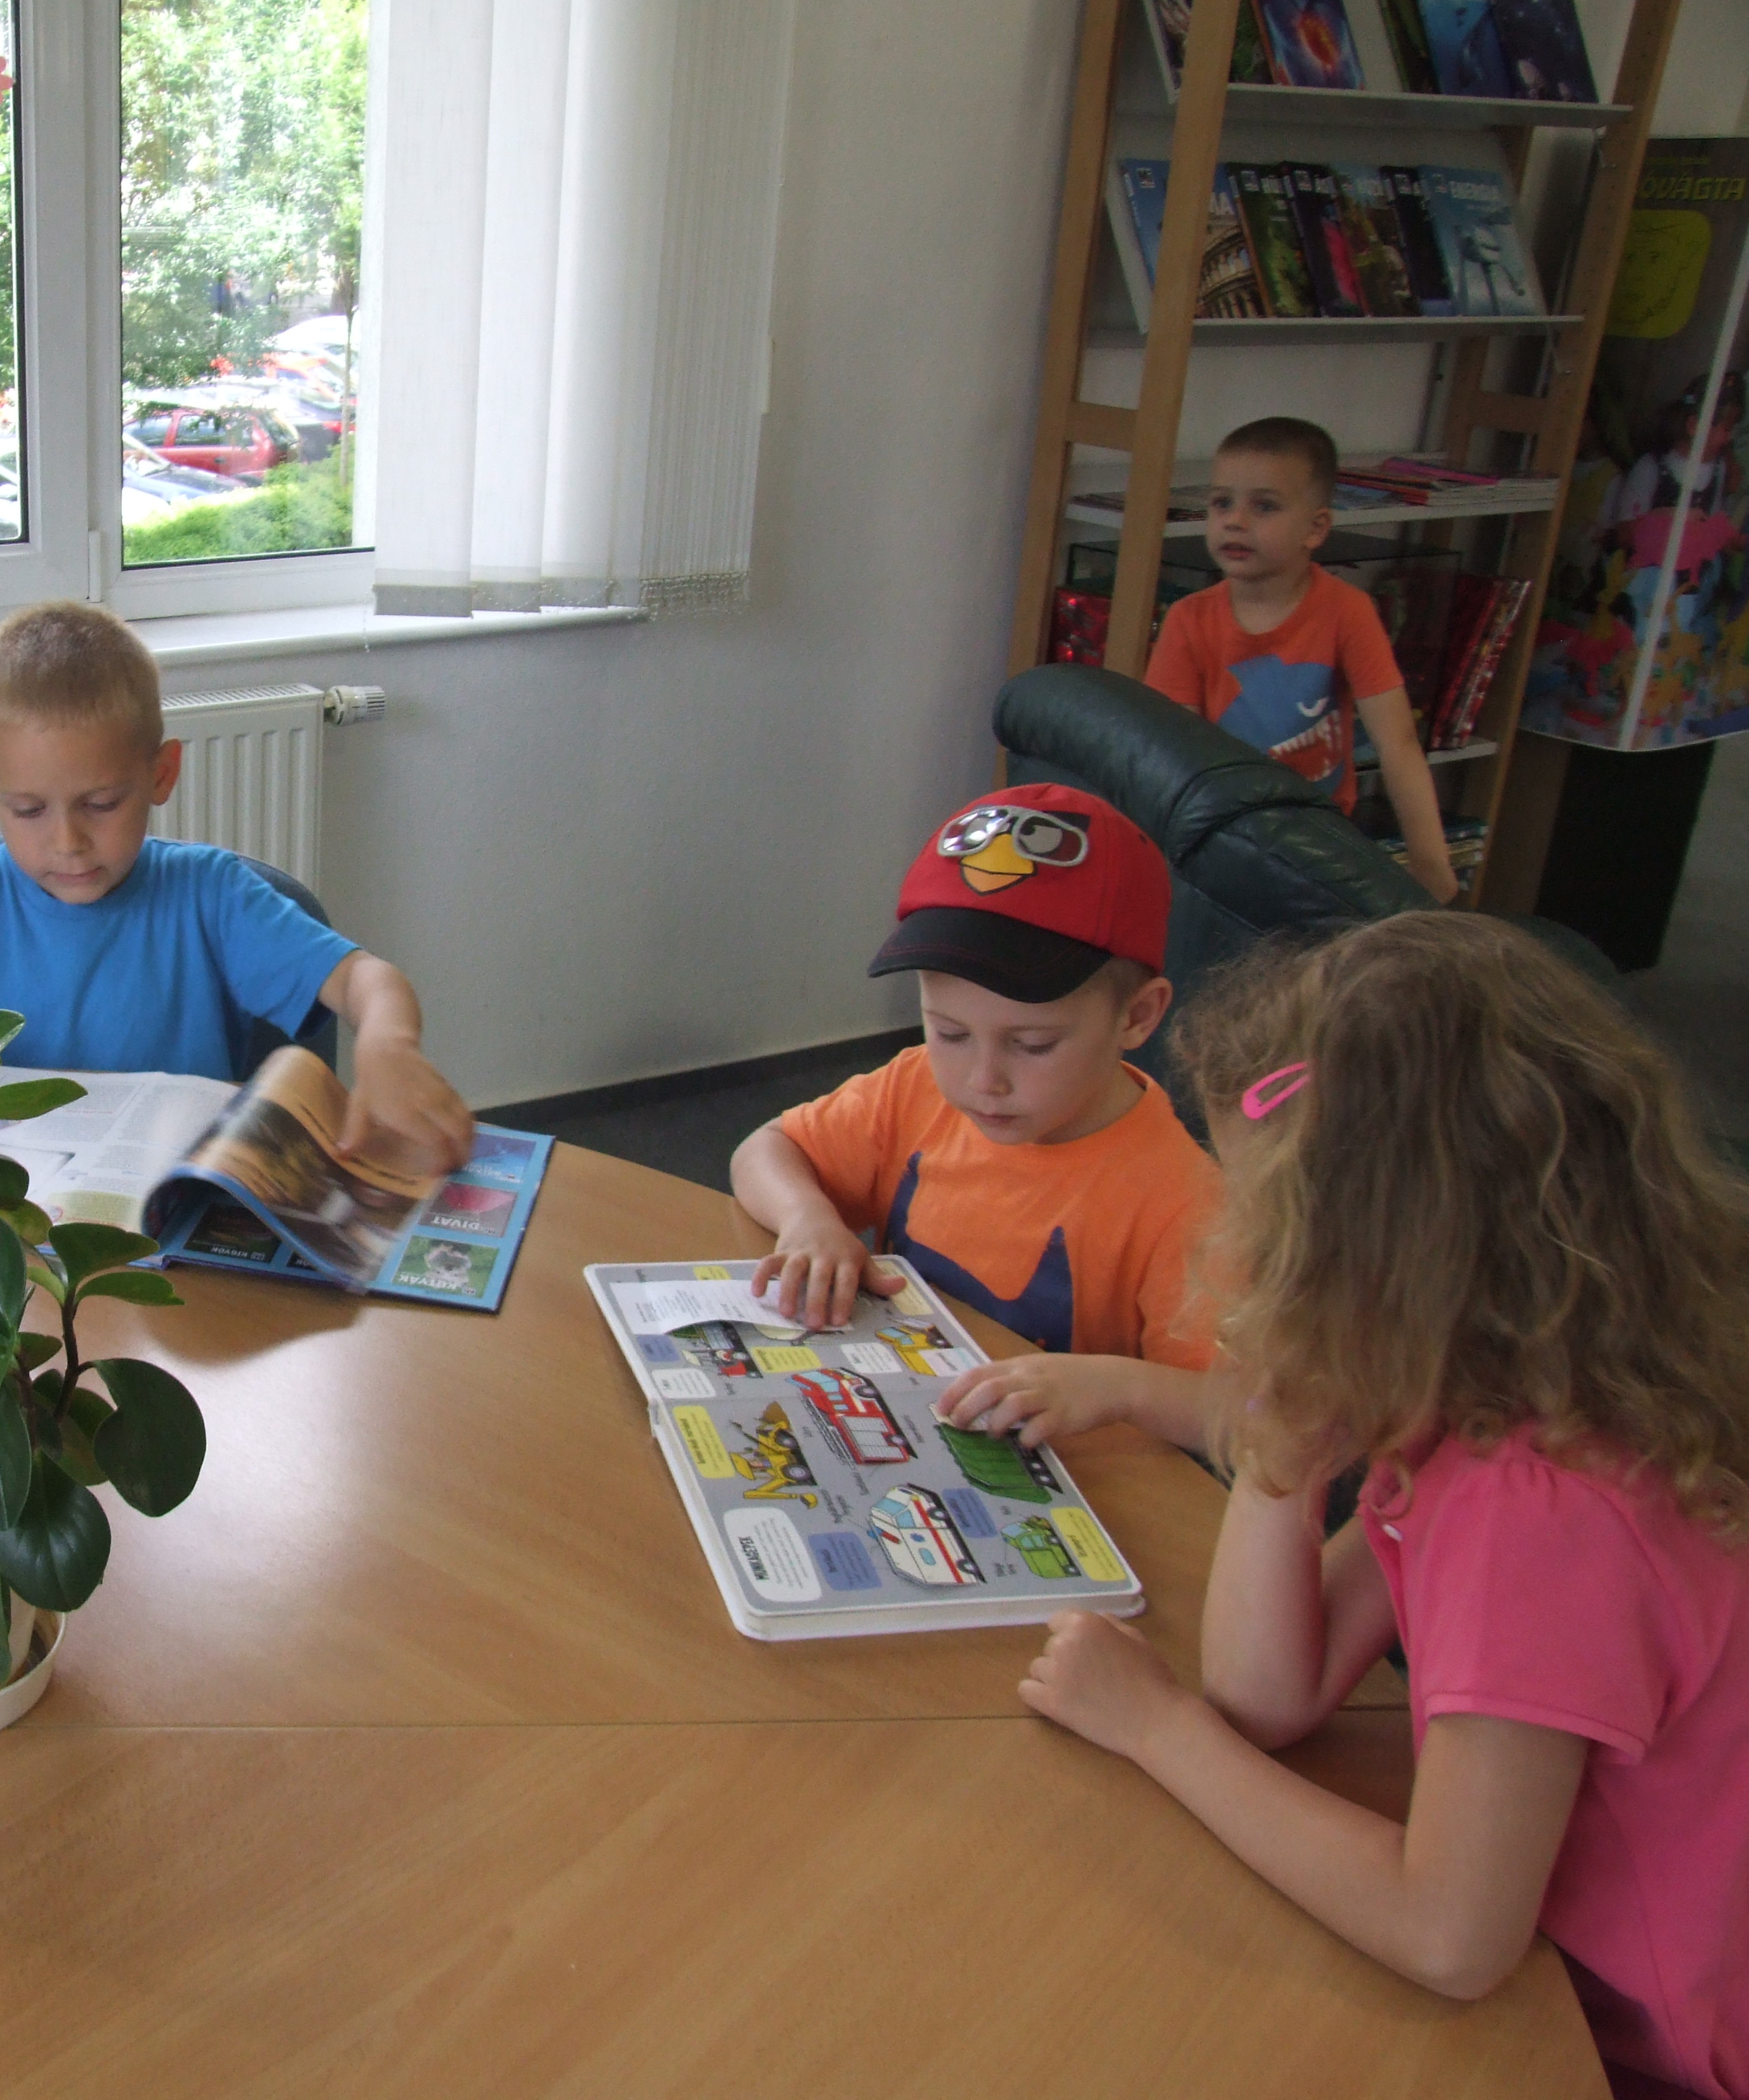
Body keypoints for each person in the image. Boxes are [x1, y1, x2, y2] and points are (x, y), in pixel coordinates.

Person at [1020, 914, 1749, 2098]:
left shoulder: (1537, 1508)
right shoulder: (1505, 1406)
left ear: (1381, 1257)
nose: (1243, 1270)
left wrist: (1154, 1728)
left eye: (1271, 1240)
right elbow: (1270, 1697)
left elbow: (1450, 1938)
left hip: (1639, 2056)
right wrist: (1283, 1437)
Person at [0, 600, 473, 1170]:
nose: (68, 841)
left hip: (170, 1232)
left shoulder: (210, 897)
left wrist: (388, 1044)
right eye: (28, 810)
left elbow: (365, 980)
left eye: (102, 804)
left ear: (161, 773)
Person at [730, 783, 1219, 1451]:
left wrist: (1123, 1388)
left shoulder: (1187, 1203)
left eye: (1033, 1044)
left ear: (1137, 1016)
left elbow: (1257, 1419)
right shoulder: (916, 1087)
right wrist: (807, 1218)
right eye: (951, 1033)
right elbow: (764, 1148)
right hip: (898, 1421)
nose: (982, 1080)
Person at [1145, 416, 1460, 905]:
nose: (1235, 521)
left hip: (1321, 837)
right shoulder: (1188, 619)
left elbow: (1398, 743)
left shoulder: (1348, 612)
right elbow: (1169, 755)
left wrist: (1430, 863)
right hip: (1216, 837)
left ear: (1316, 528)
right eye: (1222, 502)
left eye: (1264, 506)